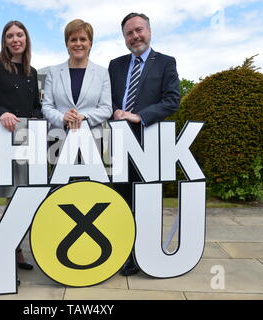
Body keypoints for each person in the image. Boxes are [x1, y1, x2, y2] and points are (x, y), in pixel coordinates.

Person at [108, 13, 180, 276]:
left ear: (149, 31)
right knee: (122, 200)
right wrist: (114, 110)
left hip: (149, 143)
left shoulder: (166, 63)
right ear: (124, 37)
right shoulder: (115, 65)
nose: (135, 36)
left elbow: (172, 100)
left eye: (139, 30)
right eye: (129, 33)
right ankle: (124, 252)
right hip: (119, 144)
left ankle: (143, 253)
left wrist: (139, 116)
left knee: (146, 202)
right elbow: (109, 100)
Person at [0, 21, 41, 271]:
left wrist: (40, 118)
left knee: (27, 197)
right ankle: (11, 250)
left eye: (19, 35)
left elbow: (35, 106)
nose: (15, 39)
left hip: (30, 141)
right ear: (4, 41)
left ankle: (18, 248)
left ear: (26, 39)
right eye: (10, 36)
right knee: (11, 195)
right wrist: (2, 113)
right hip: (7, 139)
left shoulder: (32, 71)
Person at [42, 19, 112, 151]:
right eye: (73, 39)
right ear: (67, 44)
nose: (78, 44)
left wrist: (84, 116)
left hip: (92, 138)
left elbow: (106, 109)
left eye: (83, 39)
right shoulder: (53, 72)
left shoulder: (102, 73)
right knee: (59, 173)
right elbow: (46, 107)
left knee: (92, 172)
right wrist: (63, 118)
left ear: (90, 43)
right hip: (59, 138)